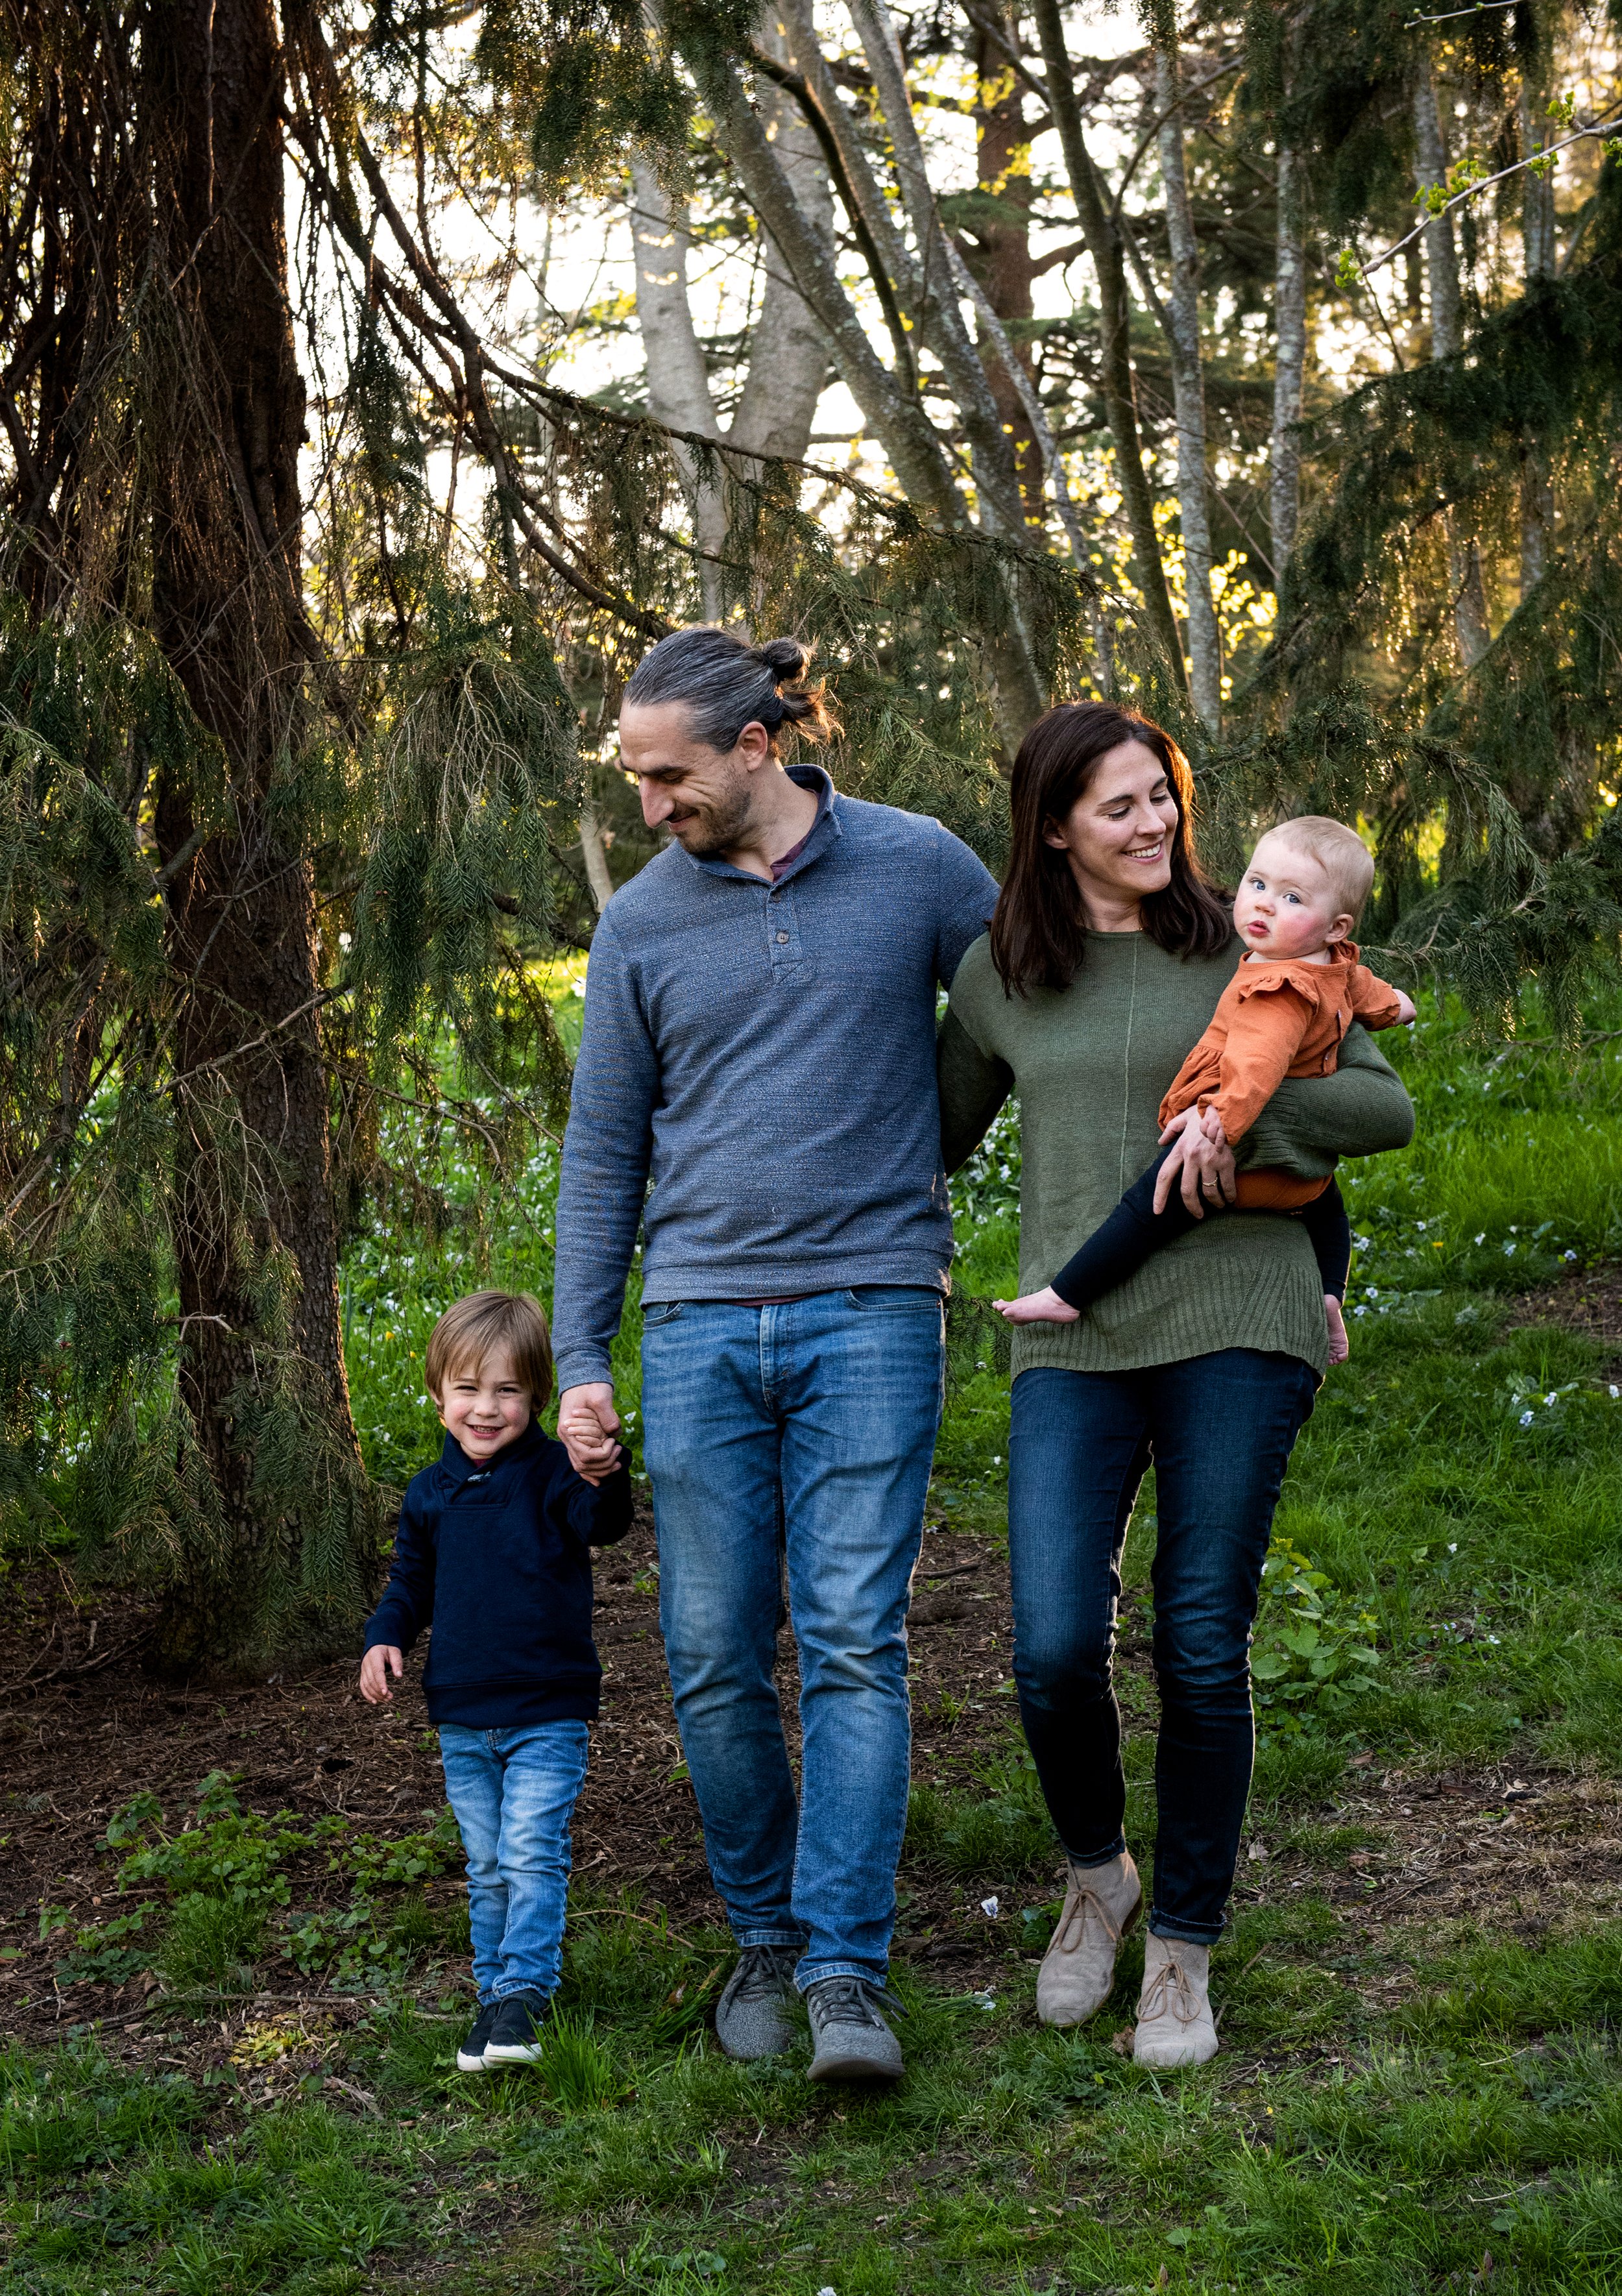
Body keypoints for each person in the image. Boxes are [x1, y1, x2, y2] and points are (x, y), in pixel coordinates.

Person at [550, 626, 999, 2085]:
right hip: (689, 1326)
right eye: (631, 777)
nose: (647, 803)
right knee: (707, 1651)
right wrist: (578, 1354)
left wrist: (914, 1154)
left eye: (666, 773)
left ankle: (845, 1972)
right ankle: (759, 1934)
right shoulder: (641, 922)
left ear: (756, 746)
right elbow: (604, 1146)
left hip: (870, 1308)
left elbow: (1011, 1021)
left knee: (855, 1642)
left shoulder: (920, 864)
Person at [938, 704, 1414, 2068]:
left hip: (1236, 1314)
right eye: (1117, 807)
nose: (1151, 825)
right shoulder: (999, 975)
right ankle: (1098, 1878)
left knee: (1198, 1640)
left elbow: (1379, 1110)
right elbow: (923, 1127)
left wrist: (1239, 1112)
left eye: (1161, 798)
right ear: (1049, 828)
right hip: (1068, 1340)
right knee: (1044, 1650)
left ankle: (1180, 1954)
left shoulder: (1255, 940)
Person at [994, 815, 1416, 1363]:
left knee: (1152, 1203)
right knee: (1326, 1206)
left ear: (1336, 927)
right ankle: (1330, 1294)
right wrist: (1398, 1007)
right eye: (1258, 884)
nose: (1263, 905)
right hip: (1300, 1178)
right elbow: (1367, 990)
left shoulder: (1276, 991)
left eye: (1291, 899)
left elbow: (1254, 1066)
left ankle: (1068, 1293)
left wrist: (1215, 1124)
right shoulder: (1330, 965)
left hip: (1234, 1158)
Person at [359, 1289, 632, 2074]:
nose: (486, 1409)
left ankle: (523, 1996)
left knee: (529, 1851)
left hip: (547, 1705)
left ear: (538, 1396)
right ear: (438, 1394)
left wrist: (603, 1467)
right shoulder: (428, 1495)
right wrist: (384, 1637)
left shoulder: (552, 1473)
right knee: (485, 1863)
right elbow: (409, 1582)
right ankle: (494, 2000)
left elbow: (602, 1522)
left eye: (507, 1390)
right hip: (463, 1712)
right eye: (468, 1389)